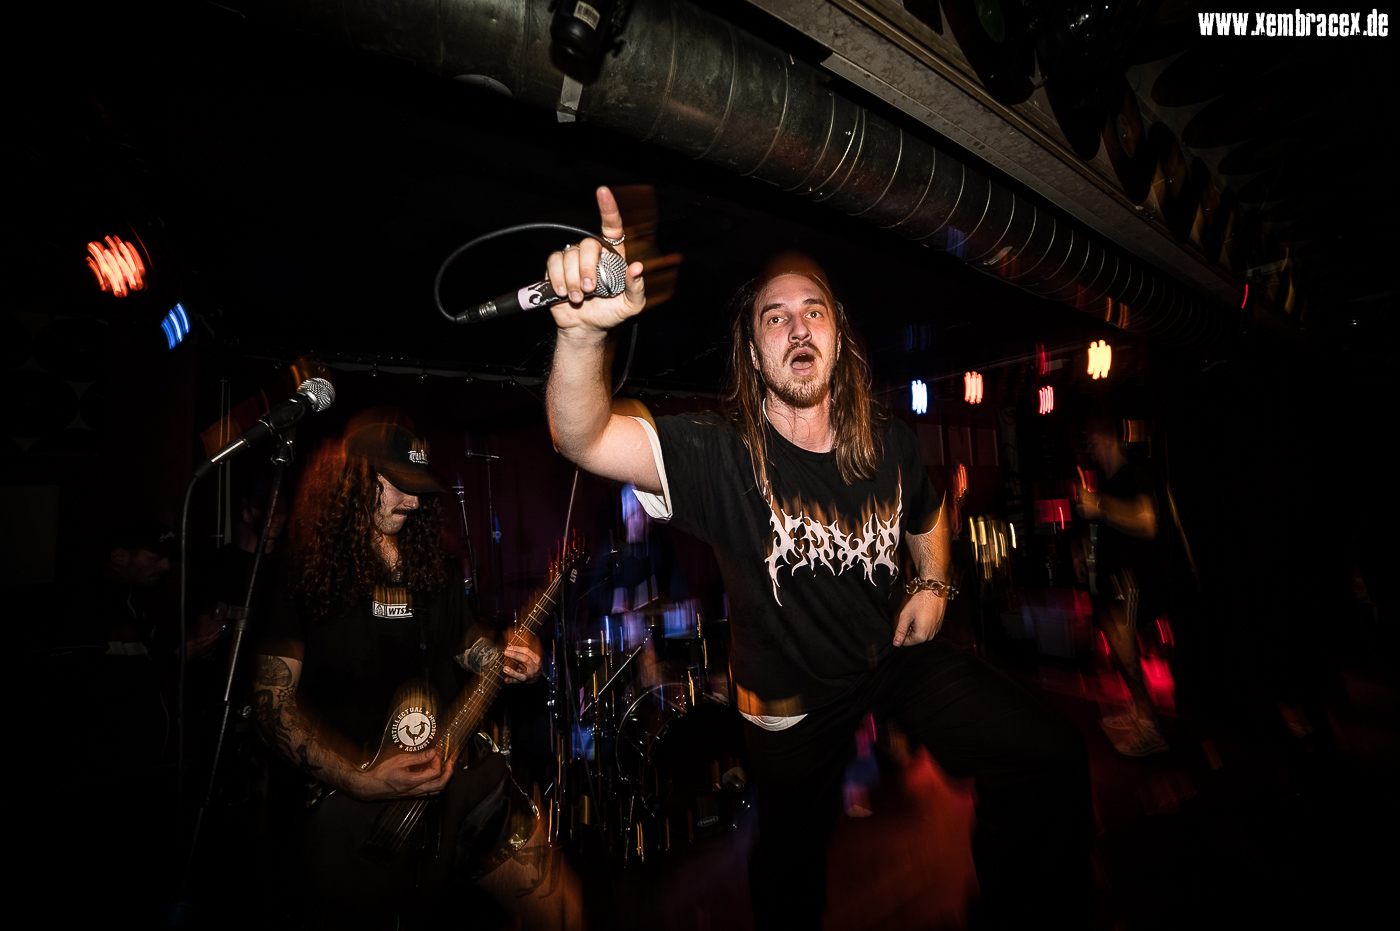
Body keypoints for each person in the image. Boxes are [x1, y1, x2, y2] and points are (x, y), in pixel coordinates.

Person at [544, 188, 1090, 928]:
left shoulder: (888, 442)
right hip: (789, 699)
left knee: (1047, 754)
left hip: (887, 654)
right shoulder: (721, 453)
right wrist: (582, 336)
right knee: (790, 865)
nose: (797, 326)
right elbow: (583, 437)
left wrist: (933, 582)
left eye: (814, 311)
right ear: (753, 351)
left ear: (838, 337)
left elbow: (928, 514)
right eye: (775, 317)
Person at [253, 418, 579, 929]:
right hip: (350, 810)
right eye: (398, 486)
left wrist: (510, 658)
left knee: (561, 912)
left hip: (456, 778)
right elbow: (271, 704)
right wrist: (360, 779)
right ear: (354, 481)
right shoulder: (300, 571)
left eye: (419, 489)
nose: (412, 502)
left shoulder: (435, 566)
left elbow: (467, 645)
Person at [1076, 415, 1168, 756]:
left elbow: (1146, 521)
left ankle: (1150, 727)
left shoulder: (1132, 473)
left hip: (1131, 581)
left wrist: (1099, 505)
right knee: (1120, 649)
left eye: (1092, 441)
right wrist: (1084, 551)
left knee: (1126, 650)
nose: (1089, 448)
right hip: (1115, 580)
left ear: (1109, 439)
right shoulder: (1110, 480)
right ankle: (1139, 711)